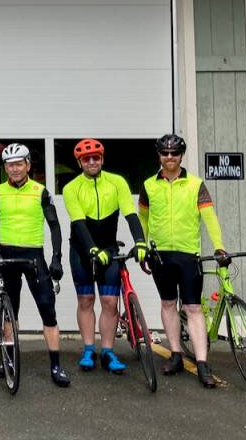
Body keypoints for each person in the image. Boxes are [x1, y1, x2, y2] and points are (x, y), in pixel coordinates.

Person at [138, 133, 228, 389]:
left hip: (189, 255)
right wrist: (143, 247)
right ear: (159, 156)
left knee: (193, 308)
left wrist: (219, 246)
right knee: (168, 303)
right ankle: (176, 354)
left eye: (174, 154)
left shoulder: (195, 184)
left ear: (181, 156)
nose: (169, 158)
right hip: (160, 255)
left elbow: (209, 217)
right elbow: (143, 219)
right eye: (165, 153)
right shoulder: (149, 185)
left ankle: (201, 363)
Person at [0, 142, 70, 387]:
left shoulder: (41, 191)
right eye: (10, 165)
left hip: (34, 257)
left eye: (19, 164)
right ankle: (8, 360)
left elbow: (54, 226)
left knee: (47, 310)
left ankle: (56, 366)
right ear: (5, 167)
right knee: (11, 311)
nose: (15, 169)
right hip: (7, 255)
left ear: (28, 164)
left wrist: (56, 258)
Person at [62, 138, 148, 374]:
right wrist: (91, 249)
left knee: (110, 302)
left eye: (96, 157)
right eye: (86, 159)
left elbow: (131, 215)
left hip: (108, 248)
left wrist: (140, 240)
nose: (92, 162)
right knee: (86, 300)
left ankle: (108, 351)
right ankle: (89, 348)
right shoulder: (71, 188)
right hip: (81, 250)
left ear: (102, 159)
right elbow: (78, 223)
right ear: (79, 162)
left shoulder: (117, 182)